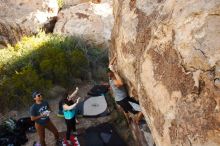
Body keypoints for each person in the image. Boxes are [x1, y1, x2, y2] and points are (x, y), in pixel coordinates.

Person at [108, 56, 143, 123]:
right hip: (124, 100)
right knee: (142, 110)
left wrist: (115, 56)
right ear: (112, 74)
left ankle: (128, 120)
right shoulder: (114, 81)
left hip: (118, 100)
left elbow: (110, 64)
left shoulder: (110, 78)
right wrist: (115, 72)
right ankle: (137, 121)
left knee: (125, 110)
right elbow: (121, 82)